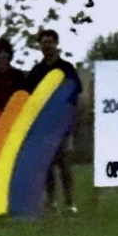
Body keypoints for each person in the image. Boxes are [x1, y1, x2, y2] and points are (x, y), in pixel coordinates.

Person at [23, 29, 83, 216]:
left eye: (50, 41)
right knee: (47, 165)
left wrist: (74, 122)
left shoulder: (67, 68)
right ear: (40, 46)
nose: (47, 45)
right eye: (43, 42)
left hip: (62, 123)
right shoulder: (37, 71)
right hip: (43, 125)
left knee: (64, 164)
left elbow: (77, 97)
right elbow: (28, 98)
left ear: (56, 44)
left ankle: (70, 203)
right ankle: (51, 201)